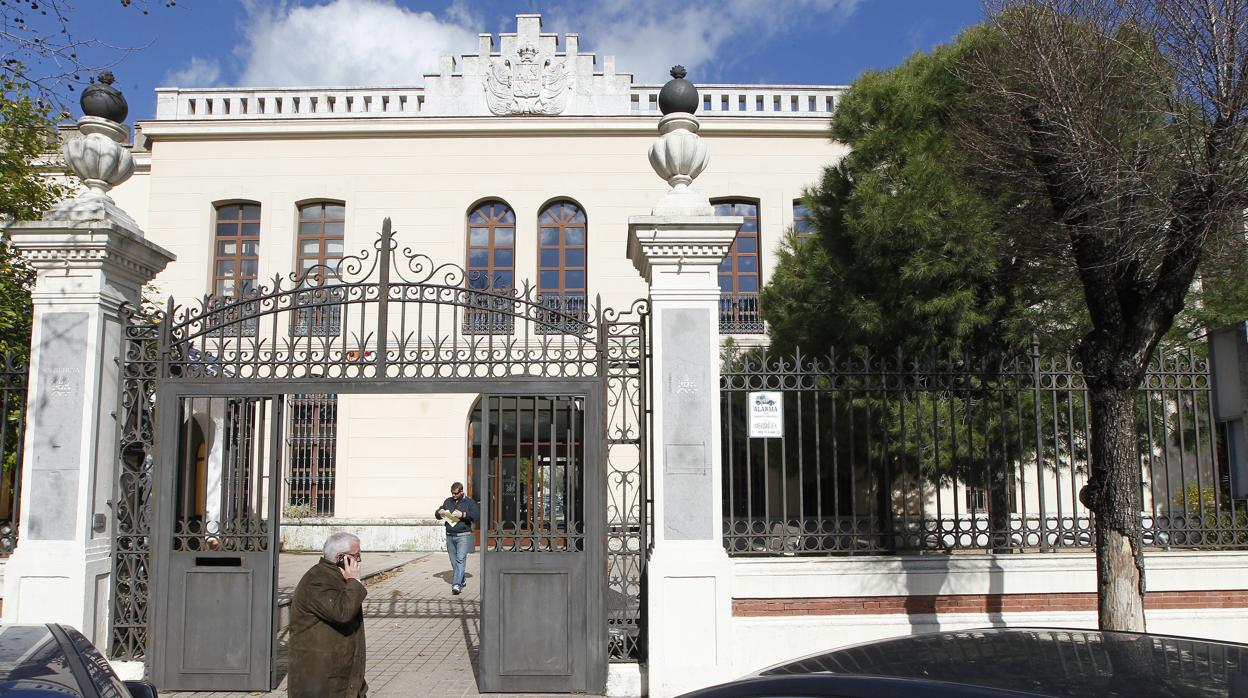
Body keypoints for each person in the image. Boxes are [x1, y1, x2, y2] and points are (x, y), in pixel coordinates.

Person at [288, 532, 368, 697]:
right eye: (356, 556)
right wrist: (354, 582)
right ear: (341, 557)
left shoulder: (336, 576)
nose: (359, 561)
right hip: (320, 682)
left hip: (341, 677)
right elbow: (342, 613)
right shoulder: (316, 581)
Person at [434, 481, 479, 595]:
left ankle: (456, 585)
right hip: (450, 535)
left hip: (463, 536)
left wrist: (462, 515)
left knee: (460, 559)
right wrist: (439, 512)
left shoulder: (469, 502)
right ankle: (461, 579)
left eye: (455, 493)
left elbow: (476, 515)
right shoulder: (448, 501)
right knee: (454, 561)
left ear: (461, 492)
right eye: (452, 493)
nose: (453, 495)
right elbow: (437, 515)